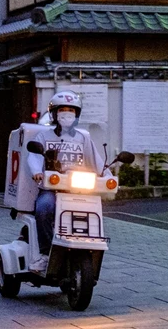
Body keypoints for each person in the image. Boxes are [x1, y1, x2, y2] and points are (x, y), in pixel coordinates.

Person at [26, 91, 108, 273]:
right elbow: (33, 157)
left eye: (71, 110)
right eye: (62, 110)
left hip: (78, 189)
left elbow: (96, 161)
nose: (67, 114)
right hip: (52, 189)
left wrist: (107, 176)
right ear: (54, 113)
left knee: (93, 213)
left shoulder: (83, 138)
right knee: (44, 209)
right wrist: (37, 172)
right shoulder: (43, 137)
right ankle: (45, 254)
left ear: (77, 114)